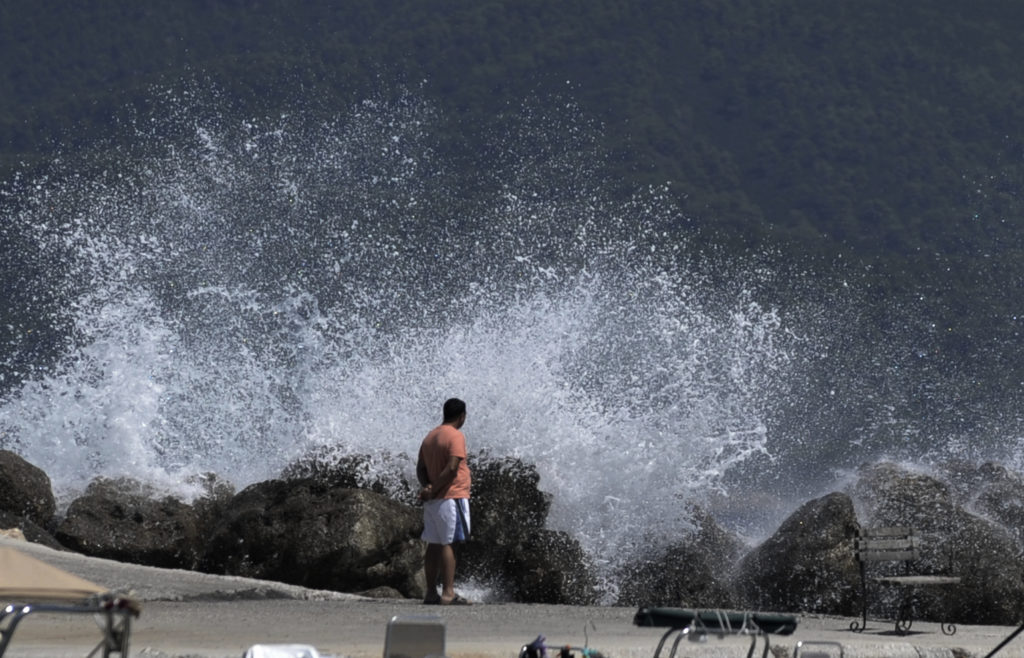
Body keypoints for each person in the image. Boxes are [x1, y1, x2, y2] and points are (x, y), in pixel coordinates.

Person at [416, 397, 472, 605]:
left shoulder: (430, 436)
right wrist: (436, 489)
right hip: (452, 497)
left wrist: (428, 487)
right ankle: (448, 592)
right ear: (462, 416)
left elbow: (420, 468)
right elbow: (451, 468)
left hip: (434, 502)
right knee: (450, 543)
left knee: (434, 544)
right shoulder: (455, 436)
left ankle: (431, 592)